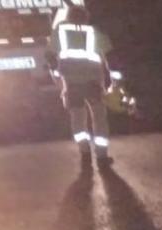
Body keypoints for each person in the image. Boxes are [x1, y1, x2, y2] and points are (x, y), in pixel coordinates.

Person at [47, 3, 114, 165]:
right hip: (93, 83)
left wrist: (57, 78)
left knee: (77, 118)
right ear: (86, 17)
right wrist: (114, 80)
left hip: (72, 84)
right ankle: (102, 156)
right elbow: (110, 56)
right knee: (99, 118)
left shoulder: (59, 32)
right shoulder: (95, 32)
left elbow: (50, 57)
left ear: (68, 16)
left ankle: (85, 154)